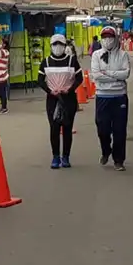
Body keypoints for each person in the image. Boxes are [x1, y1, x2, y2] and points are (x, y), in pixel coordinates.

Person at [37, 34, 83, 169]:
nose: (58, 47)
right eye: (55, 44)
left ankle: (66, 157)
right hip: (52, 99)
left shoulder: (72, 61)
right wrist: (49, 90)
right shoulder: (45, 62)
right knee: (54, 128)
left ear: (64, 46)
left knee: (67, 129)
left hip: (68, 98)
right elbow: (40, 80)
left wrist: (70, 88)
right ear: (51, 46)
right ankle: (55, 156)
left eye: (60, 44)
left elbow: (79, 78)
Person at [90, 26, 131, 171]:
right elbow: (96, 76)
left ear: (115, 38)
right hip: (102, 96)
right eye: (105, 37)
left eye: (110, 37)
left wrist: (106, 73)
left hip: (119, 96)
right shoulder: (96, 55)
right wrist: (115, 75)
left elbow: (125, 74)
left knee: (120, 130)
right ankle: (106, 151)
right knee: (103, 129)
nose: (108, 40)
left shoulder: (123, 55)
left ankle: (119, 160)